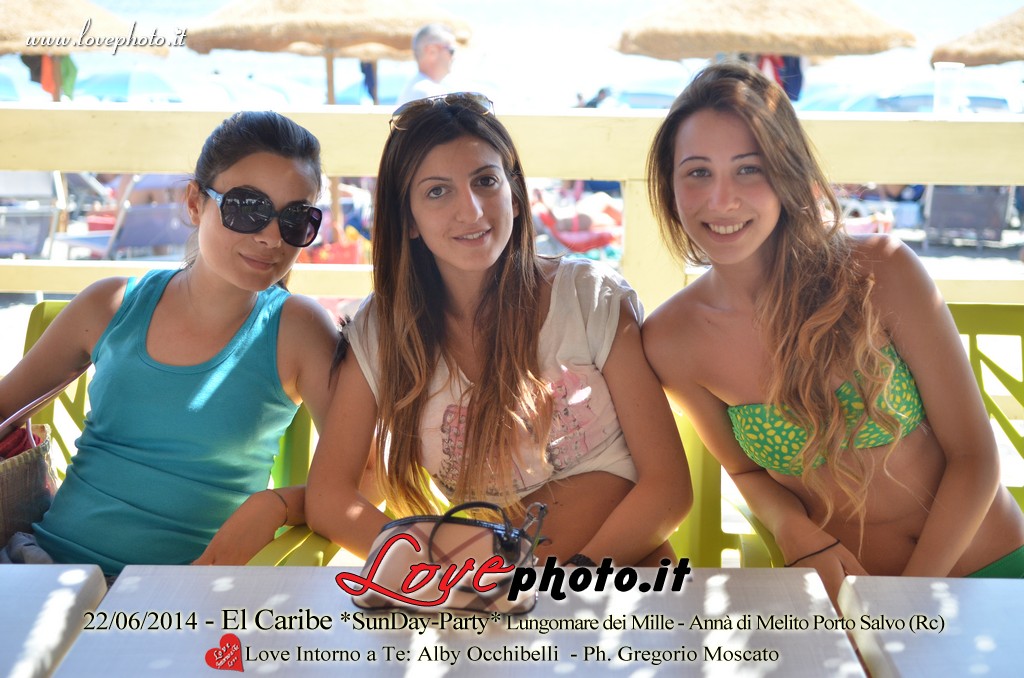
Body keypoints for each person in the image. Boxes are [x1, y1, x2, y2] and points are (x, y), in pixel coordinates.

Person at [641, 62, 1024, 601]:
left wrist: (908, 600)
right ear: (670, 186)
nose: (722, 199)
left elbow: (975, 458)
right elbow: (746, 472)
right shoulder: (671, 340)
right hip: (846, 598)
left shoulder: (882, 271)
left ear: (787, 174)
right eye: (698, 172)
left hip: (989, 575)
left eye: (749, 169)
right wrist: (791, 528)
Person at [306, 93, 691, 566]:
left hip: (618, 579)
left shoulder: (589, 298)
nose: (471, 210)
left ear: (515, 193)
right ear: (408, 219)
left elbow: (670, 489)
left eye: (485, 181)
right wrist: (430, 570)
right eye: (437, 191)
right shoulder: (383, 334)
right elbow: (329, 498)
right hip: (494, 594)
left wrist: (570, 578)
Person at [0, 111, 340, 575]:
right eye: (247, 207)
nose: (270, 237)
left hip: (178, 597)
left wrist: (278, 505)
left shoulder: (299, 329)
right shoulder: (110, 305)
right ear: (195, 203)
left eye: (295, 219)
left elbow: (366, 476)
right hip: (42, 569)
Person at [396, 24, 458, 106]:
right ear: (432, 51)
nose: (454, 57)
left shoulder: (417, 88)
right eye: (452, 51)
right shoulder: (428, 93)